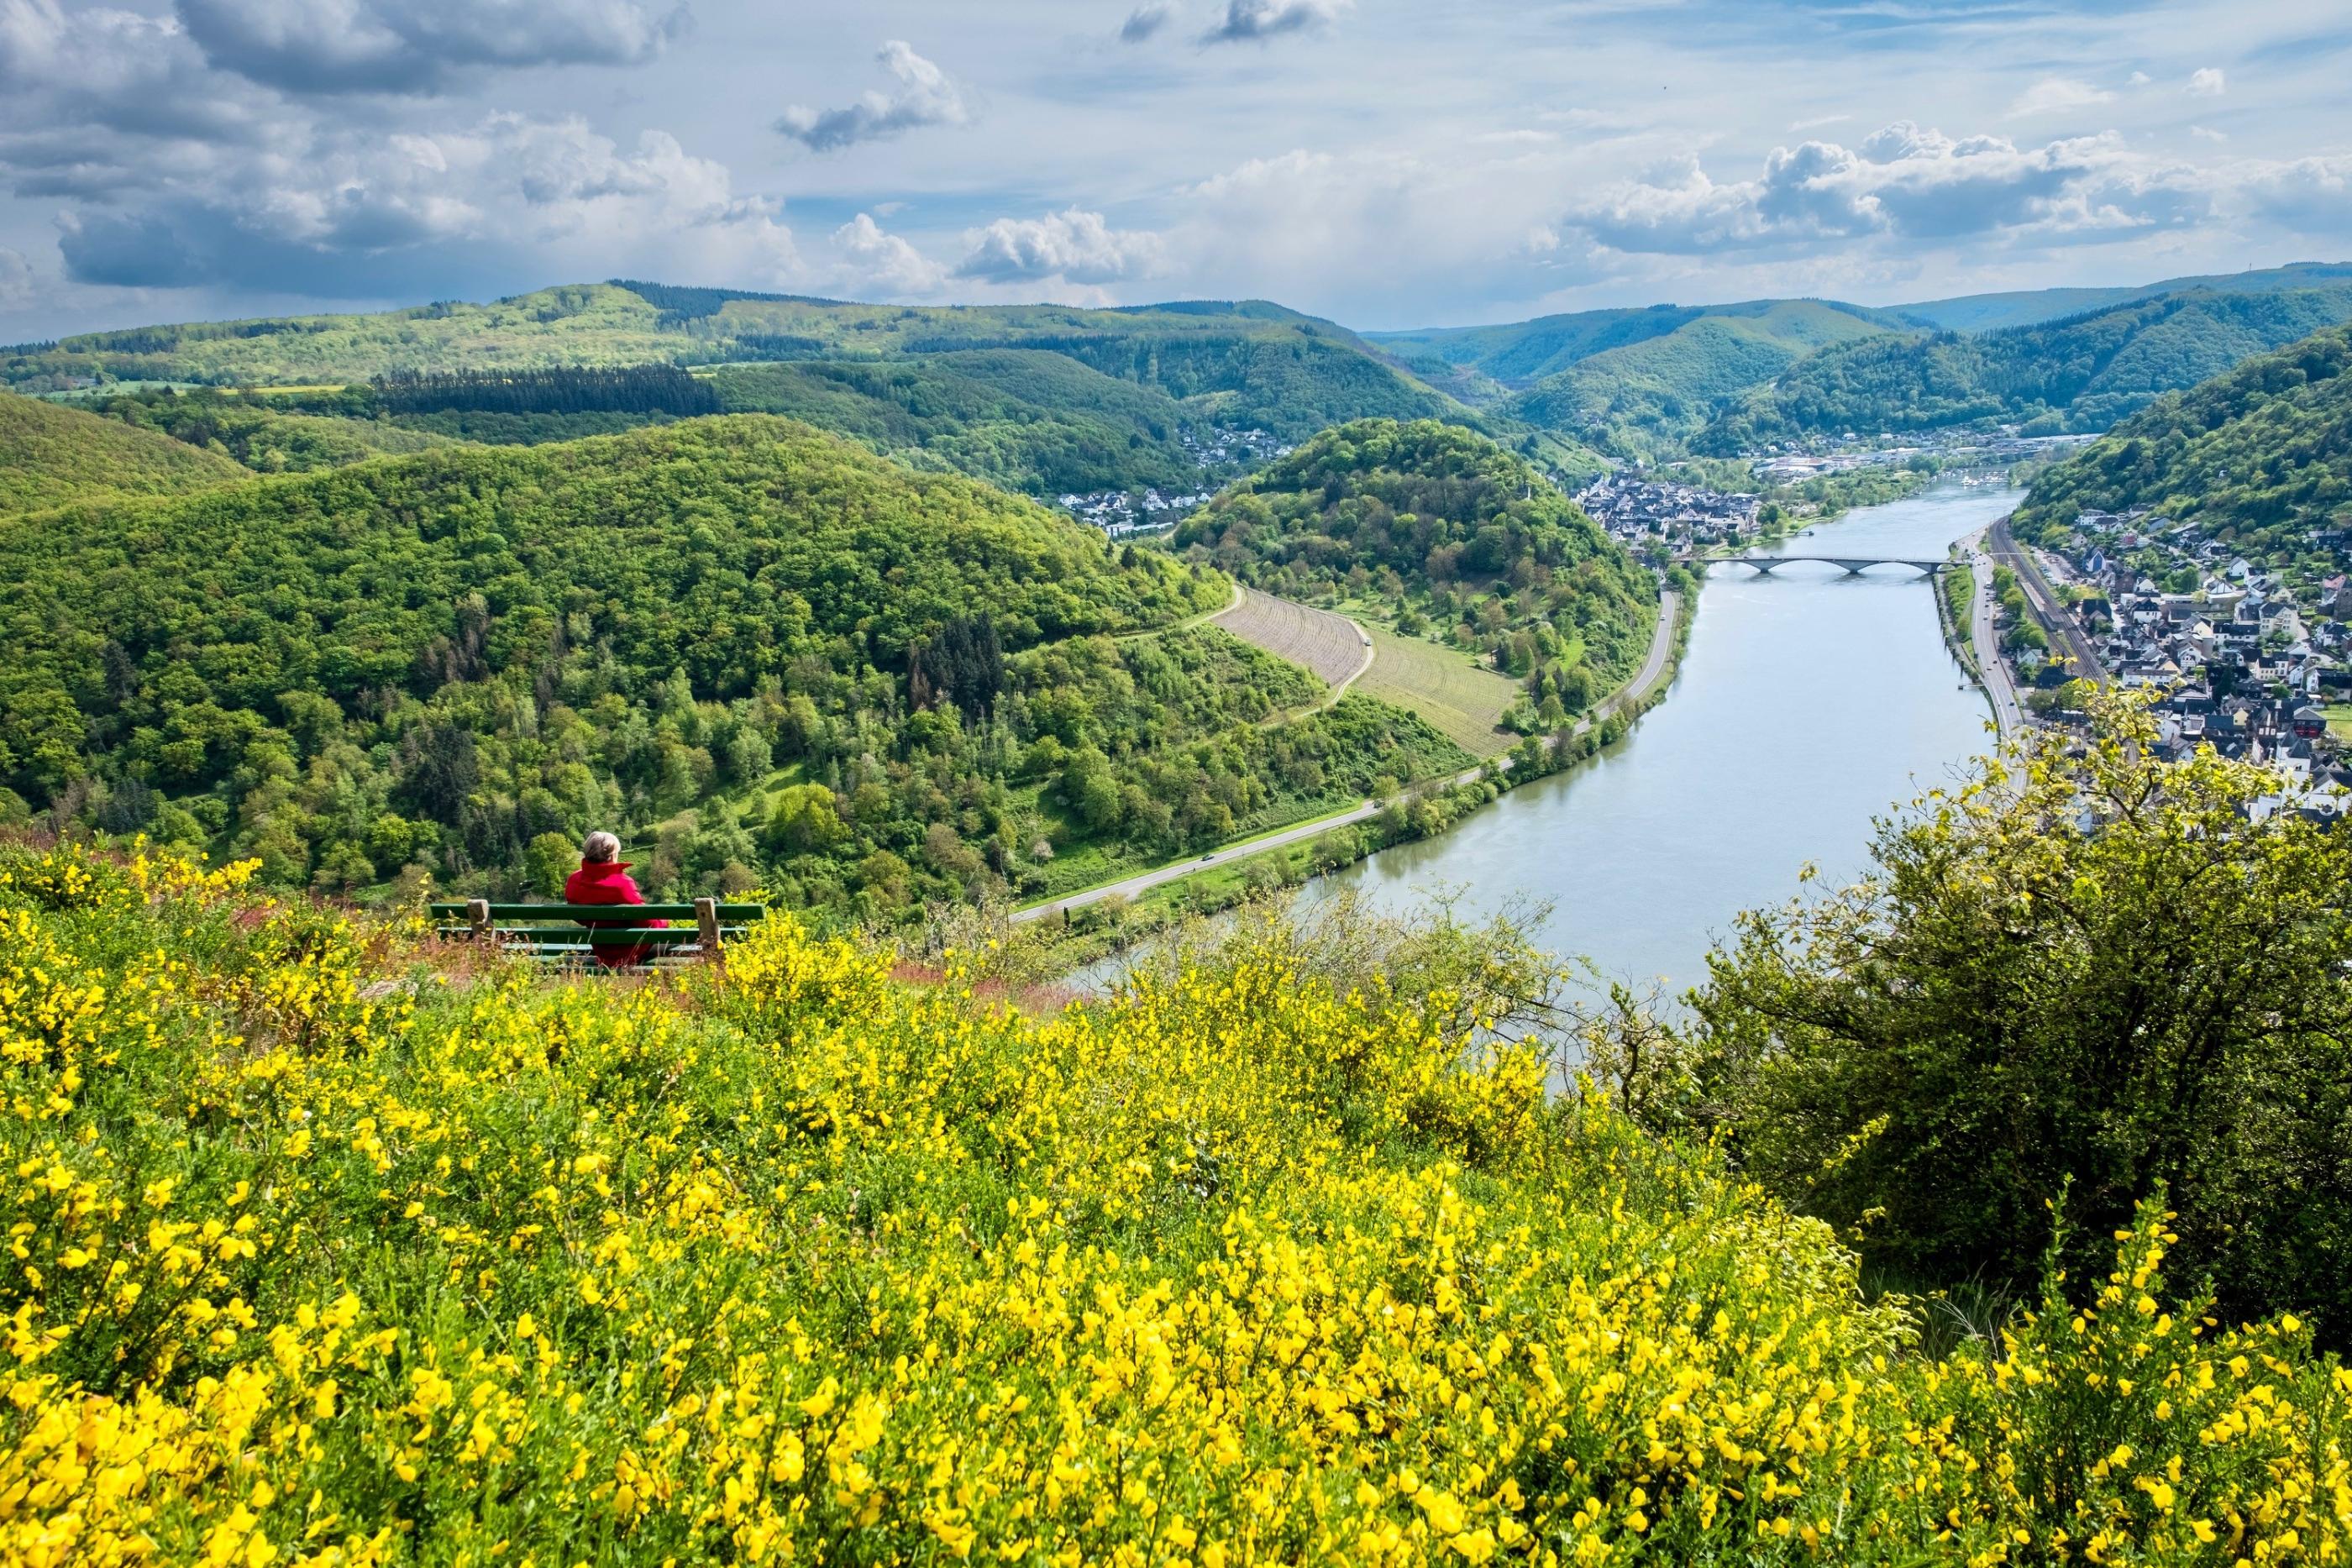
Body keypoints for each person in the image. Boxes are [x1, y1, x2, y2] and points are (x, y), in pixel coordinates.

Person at [563, 831, 667, 969]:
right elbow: (649, 924)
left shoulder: (574, 880)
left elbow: (578, 916)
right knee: (674, 938)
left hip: (602, 949)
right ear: (612, 855)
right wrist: (664, 921)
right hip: (630, 951)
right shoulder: (623, 884)